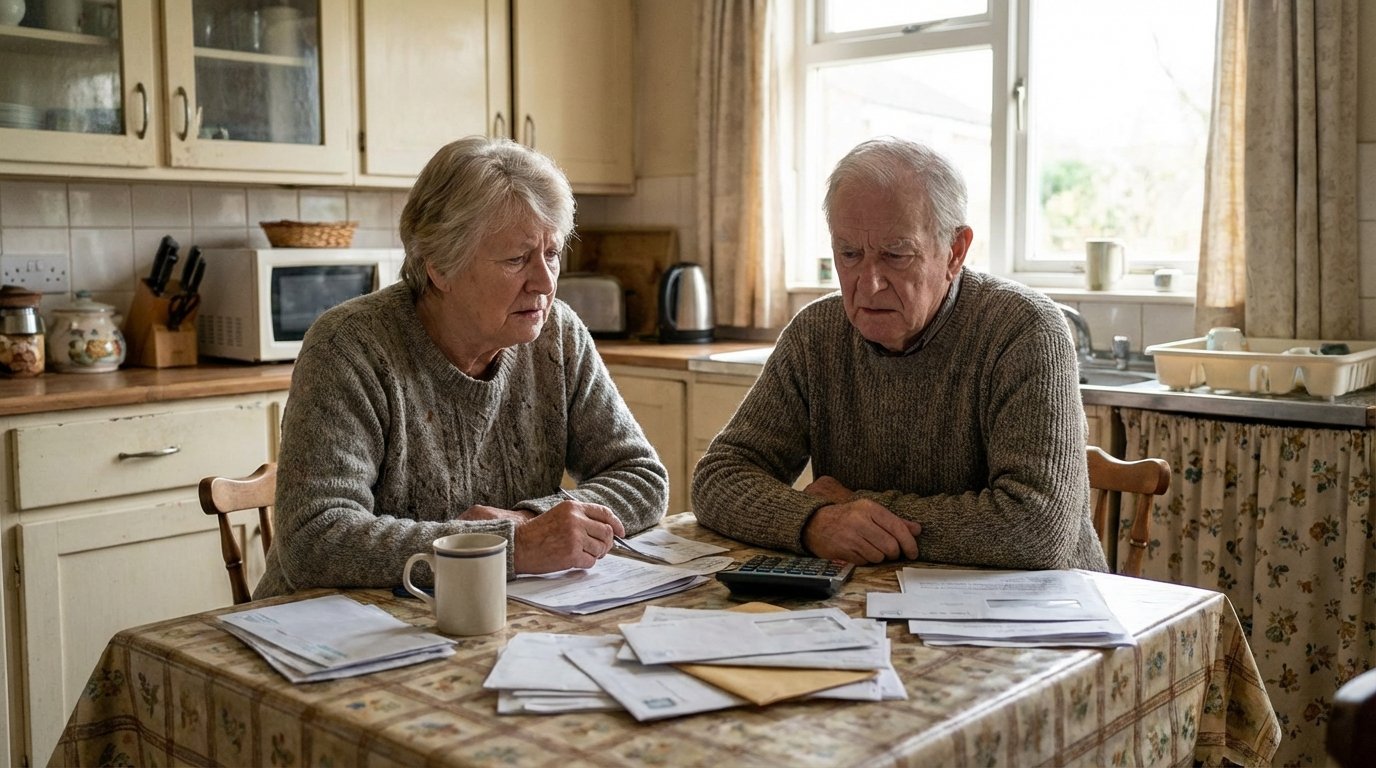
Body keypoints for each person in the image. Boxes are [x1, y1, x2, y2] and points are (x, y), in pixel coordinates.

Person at [254, 136, 669, 599]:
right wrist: (508, 547)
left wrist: (532, 522)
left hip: (485, 617)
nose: (546, 281)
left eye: (551, 253)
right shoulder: (350, 347)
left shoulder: (557, 335)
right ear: (439, 268)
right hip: (325, 633)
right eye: (517, 259)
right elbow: (315, 539)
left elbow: (642, 476)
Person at [691, 137, 1107, 572]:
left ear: (955, 252)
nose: (868, 283)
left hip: (1046, 616)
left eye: (895, 255)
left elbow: (1036, 530)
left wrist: (857, 506)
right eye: (849, 254)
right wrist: (815, 521)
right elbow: (719, 477)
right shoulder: (817, 334)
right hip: (877, 603)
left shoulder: (1023, 330)